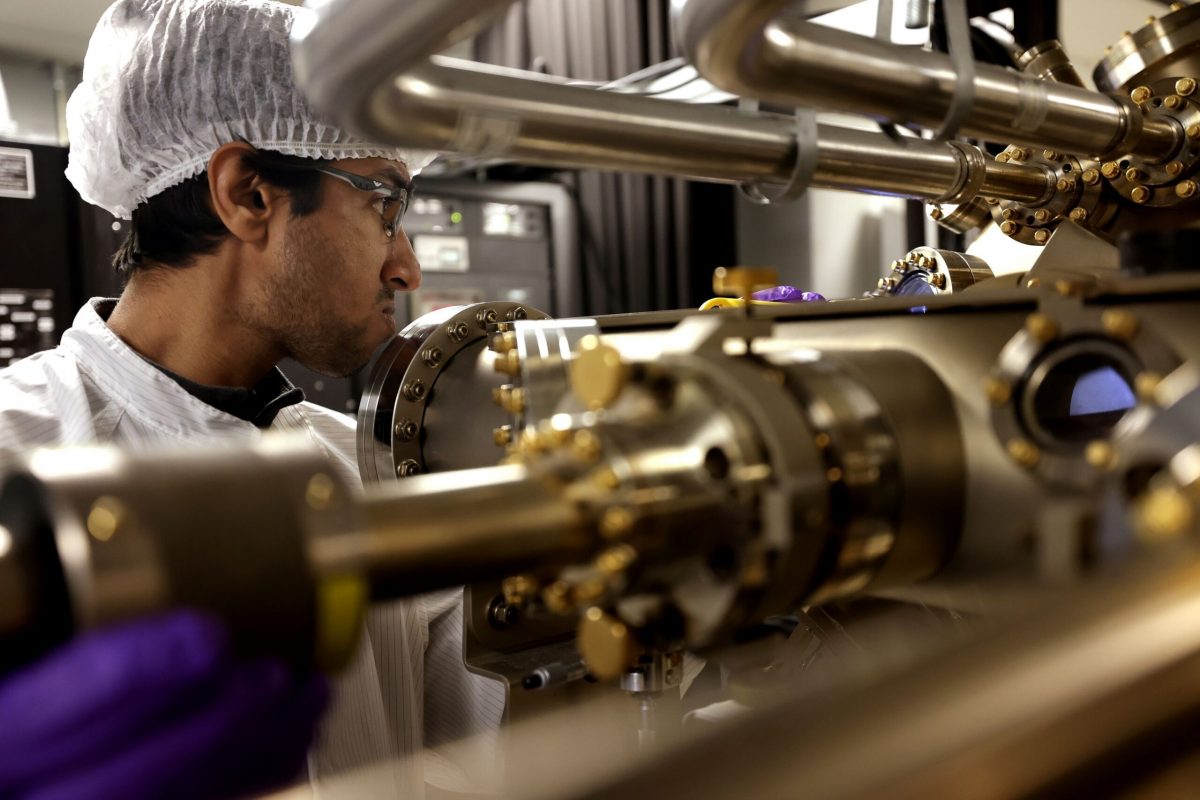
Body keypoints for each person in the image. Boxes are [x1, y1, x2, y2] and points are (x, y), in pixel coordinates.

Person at [0, 0, 504, 797]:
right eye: (385, 205)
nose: (406, 267)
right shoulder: (12, 451)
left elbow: (482, 755)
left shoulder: (370, 466)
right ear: (248, 195)